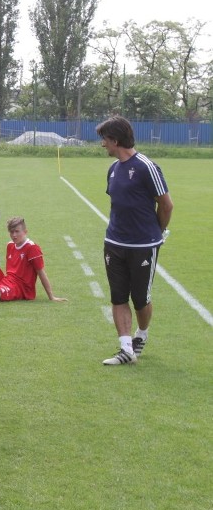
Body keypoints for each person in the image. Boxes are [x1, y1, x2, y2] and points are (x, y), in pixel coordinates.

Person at [96, 116, 173, 366]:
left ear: (115, 140)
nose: (102, 145)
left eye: (105, 140)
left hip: (143, 246)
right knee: (118, 296)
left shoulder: (146, 167)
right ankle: (126, 347)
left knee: (140, 298)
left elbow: (166, 205)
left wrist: (156, 233)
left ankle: (141, 334)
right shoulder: (113, 169)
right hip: (114, 243)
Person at [0, 217, 67, 303]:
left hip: (20, 288)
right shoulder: (10, 245)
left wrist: (51, 297)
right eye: (11, 232)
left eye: (17, 231)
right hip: (7, 281)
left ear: (25, 232)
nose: (14, 235)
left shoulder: (32, 248)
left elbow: (41, 273)